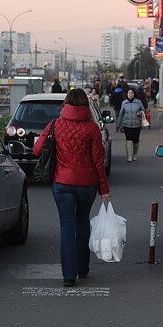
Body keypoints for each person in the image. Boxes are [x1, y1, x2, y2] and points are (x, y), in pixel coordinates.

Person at [33, 88, 111, 288]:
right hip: (87, 184)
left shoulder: (55, 125)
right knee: (82, 222)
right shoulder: (92, 128)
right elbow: (98, 162)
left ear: (66, 103)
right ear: (85, 104)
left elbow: (37, 150)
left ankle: (69, 276)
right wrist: (104, 190)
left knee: (66, 226)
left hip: (62, 183)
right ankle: (83, 268)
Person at [116, 88, 145, 162]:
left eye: (132, 93)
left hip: (137, 124)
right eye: (129, 93)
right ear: (127, 94)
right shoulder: (124, 103)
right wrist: (118, 125)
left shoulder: (138, 102)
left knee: (135, 140)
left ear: (134, 94)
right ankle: (129, 156)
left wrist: (140, 113)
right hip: (126, 124)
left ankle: (135, 154)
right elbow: (121, 114)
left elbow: (143, 111)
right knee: (128, 139)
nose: (130, 94)